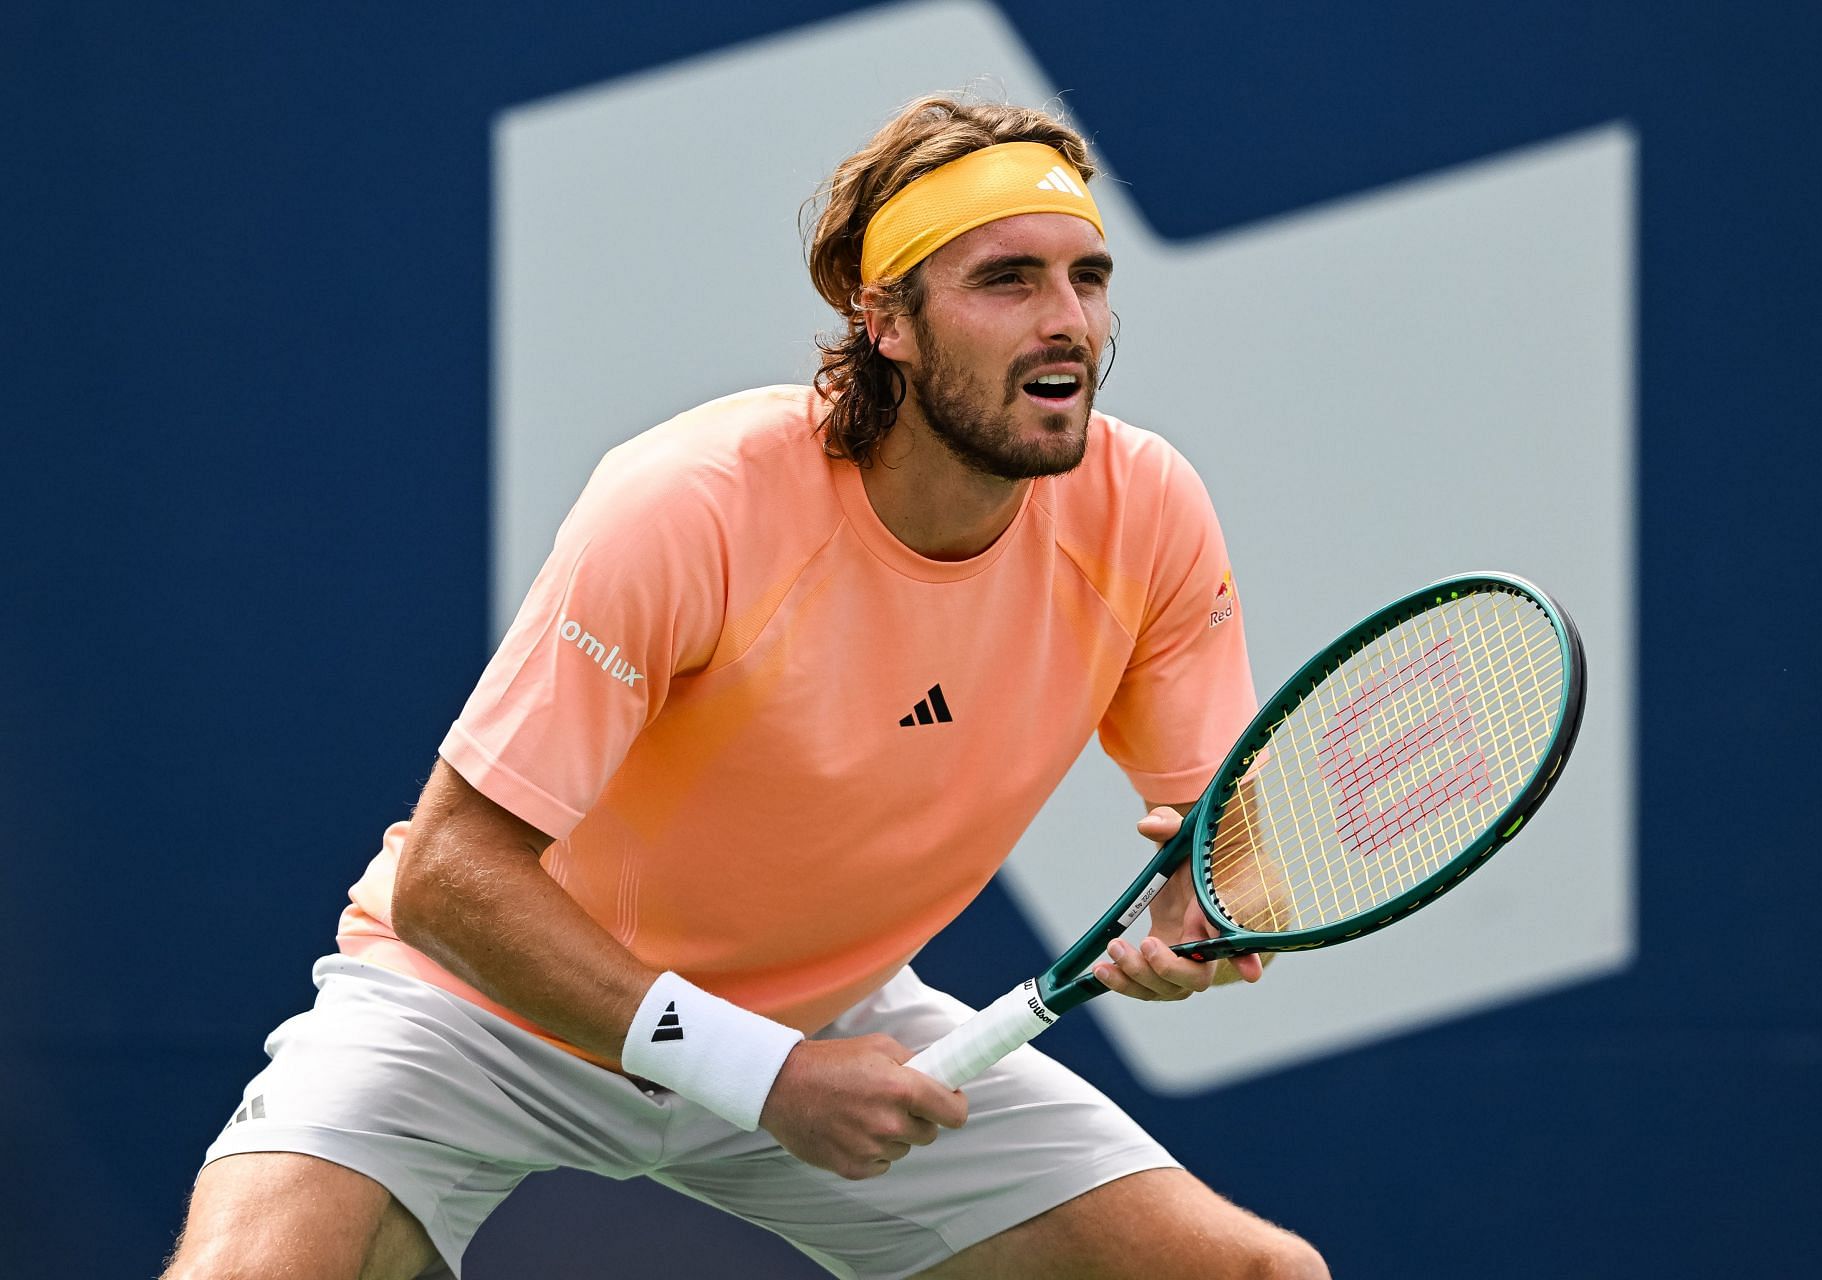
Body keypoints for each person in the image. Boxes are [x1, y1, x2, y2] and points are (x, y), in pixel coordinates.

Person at [162, 95, 1331, 1280]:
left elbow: (1227, 838)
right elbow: (449, 877)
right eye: (1008, 281)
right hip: (487, 1014)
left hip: (822, 1021)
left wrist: (1213, 907)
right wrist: (751, 1072)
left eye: (1087, 277)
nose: (1067, 322)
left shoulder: (1146, 511)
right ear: (888, 322)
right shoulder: (693, 502)